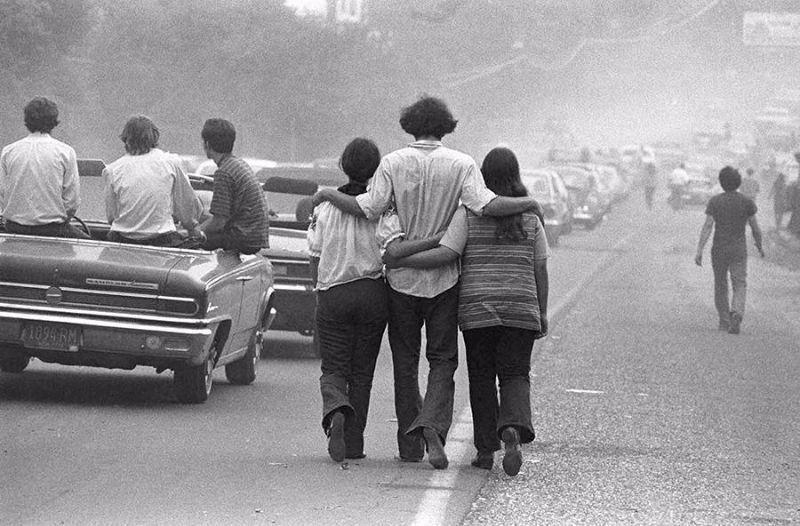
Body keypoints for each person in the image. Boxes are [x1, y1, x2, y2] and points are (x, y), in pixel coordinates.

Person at [312, 96, 541, 469]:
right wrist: (528, 203)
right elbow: (486, 206)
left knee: (405, 364)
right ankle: (432, 424)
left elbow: (367, 208)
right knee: (442, 362)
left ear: (410, 125)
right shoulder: (463, 164)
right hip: (444, 281)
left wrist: (327, 194)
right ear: (446, 126)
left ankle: (410, 447)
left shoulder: (392, 162)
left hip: (400, 282)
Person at [385, 147, 549, 477]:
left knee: (482, 378)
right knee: (515, 374)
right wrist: (540, 312)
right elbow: (540, 267)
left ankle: (486, 450)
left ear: (483, 178)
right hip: (521, 308)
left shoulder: (469, 215)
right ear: (516, 175)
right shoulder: (530, 219)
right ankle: (512, 429)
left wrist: (402, 259)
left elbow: (446, 254)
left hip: (478, 312)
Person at [308, 138, 401, 462]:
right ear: (376, 168)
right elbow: (391, 247)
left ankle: (335, 408)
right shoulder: (380, 207)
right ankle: (354, 443)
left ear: (342, 165)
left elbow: (315, 253)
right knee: (362, 373)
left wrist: (318, 293)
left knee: (334, 367)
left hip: (333, 292)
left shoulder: (326, 206)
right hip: (373, 293)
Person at [104, 115, 203, 246]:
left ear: (125, 139)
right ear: (154, 137)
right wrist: (193, 229)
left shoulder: (112, 169)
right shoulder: (171, 162)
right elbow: (187, 206)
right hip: (163, 240)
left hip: (121, 240)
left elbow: (112, 217)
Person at [0, 97, 89, 239]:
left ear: (27, 120)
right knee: (88, 245)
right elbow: (72, 201)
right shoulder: (66, 152)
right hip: (54, 229)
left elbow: (3, 193)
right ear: (53, 122)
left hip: (15, 228)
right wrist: (61, 218)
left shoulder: (8, 151)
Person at [695, 166, 764, 335]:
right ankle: (736, 313)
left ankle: (724, 320)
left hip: (719, 250)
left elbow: (708, 226)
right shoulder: (746, 202)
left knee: (721, 285)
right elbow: (755, 228)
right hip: (739, 250)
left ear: (721, 182)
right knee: (739, 283)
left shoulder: (715, 201)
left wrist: (699, 249)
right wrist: (759, 246)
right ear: (738, 182)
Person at [199, 118, 269, 254]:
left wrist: (193, 232)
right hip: (254, 236)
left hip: (242, 239)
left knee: (188, 241)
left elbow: (219, 221)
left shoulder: (224, 172)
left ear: (207, 144)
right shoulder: (238, 164)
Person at [767, 166, 788, 231]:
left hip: (777, 198)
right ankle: (779, 224)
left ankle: (777, 225)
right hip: (782, 199)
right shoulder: (784, 183)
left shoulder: (776, 182)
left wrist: (769, 196)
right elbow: (785, 192)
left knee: (776, 211)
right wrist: (786, 199)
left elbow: (772, 190)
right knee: (781, 212)